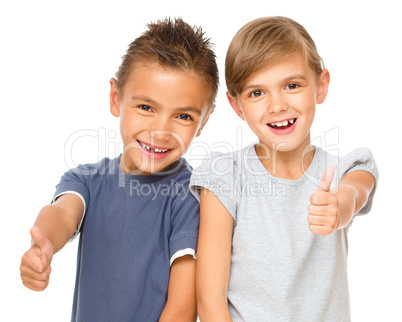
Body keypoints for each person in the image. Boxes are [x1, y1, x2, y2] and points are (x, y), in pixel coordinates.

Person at [20, 17, 218, 322]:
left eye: (183, 116)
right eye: (146, 108)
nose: (161, 131)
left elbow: (182, 307)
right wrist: (43, 244)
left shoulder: (189, 196)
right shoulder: (86, 180)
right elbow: (62, 214)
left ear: (203, 122)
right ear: (116, 99)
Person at [190, 16, 378, 321]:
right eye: (257, 93)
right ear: (237, 106)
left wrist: (338, 208)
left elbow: (356, 191)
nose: (277, 105)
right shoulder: (224, 175)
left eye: (291, 85)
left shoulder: (345, 168)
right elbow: (210, 302)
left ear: (321, 85)